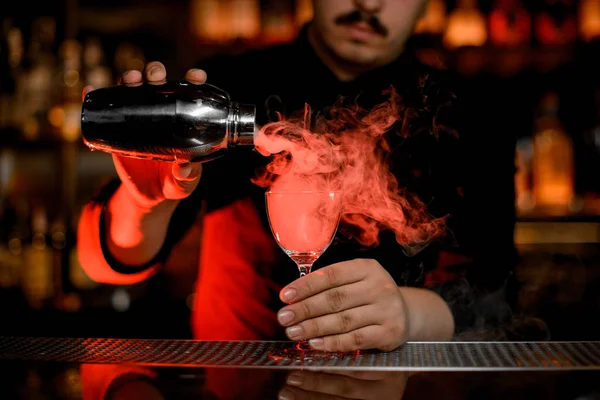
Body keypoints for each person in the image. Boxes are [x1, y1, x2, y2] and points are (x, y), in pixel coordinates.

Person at [78, 0, 518, 355]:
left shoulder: (467, 113)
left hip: (399, 384)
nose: (370, 3)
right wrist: (143, 201)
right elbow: (106, 265)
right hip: (240, 380)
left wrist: (409, 312)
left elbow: (496, 294)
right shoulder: (227, 88)